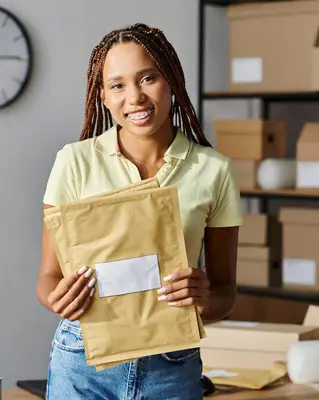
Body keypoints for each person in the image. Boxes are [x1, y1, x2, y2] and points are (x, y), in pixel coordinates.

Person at [36, 23, 243, 399]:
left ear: (172, 81)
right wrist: (59, 299)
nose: (135, 97)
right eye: (118, 85)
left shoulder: (215, 170)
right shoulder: (74, 163)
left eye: (148, 78)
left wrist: (203, 297)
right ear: (102, 96)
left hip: (173, 366)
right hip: (84, 364)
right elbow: (48, 278)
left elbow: (226, 292)